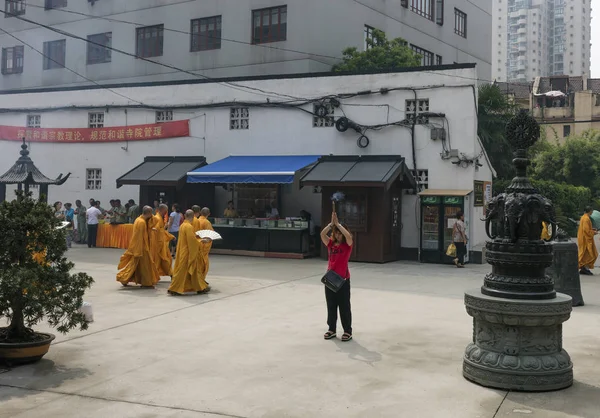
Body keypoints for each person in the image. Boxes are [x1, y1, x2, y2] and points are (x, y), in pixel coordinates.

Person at [320, 211, 354, 342]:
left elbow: (349, 236)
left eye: (340, 233)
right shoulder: (331, 245)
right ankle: (331, 329)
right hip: (330, 278)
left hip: (343, 280)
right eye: (337, 233)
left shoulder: (347, 246)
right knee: (331, 304)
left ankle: (347, 331)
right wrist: (331, 224)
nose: (338, 235)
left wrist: (339, 225)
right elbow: (322, 234)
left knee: (344, 305)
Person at [168, 210, 212, 296]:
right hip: (188, 252)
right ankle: (174, 288)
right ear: (193, 217)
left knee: (195, 271)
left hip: (183, 250)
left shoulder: (182, 225)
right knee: (182, 271)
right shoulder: (189, 227)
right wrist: (202, 240)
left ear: (184, 215)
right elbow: (192, 241)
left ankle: (201, 287)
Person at [116, 206, 160, 288]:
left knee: (135, 266)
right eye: (151, 213)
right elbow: (139, 237)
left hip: (139, 246)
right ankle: (146, 283)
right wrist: (138, 250)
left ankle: (124, 278)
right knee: (145, 266)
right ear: (149, 213)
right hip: (141, 247)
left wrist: (151, 230)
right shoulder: (142, 222)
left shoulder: (139, 219)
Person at [149, 203, 175, 277]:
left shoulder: (159, 218)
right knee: (162, 260)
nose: (166, 213)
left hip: (161, 243)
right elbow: (156, 231)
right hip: (158, 244)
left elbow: (162, 231)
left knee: (166, 259)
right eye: (165, 211)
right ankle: (154, 276)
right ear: (162, 210)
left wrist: (170, 236)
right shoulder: (157, 218)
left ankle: (169, 274)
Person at [578, 206, 598, 275]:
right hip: (586, 239)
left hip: (583, 238)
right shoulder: (586, 219)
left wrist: (592, 230)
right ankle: (585, 268)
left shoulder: (583, 217)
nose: (592, 212)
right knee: (591, 254)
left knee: (585, 254)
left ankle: (584, 268)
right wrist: (593, 232)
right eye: (592, 211)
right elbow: (586, 230)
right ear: (590, 211)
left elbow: (586, 228)